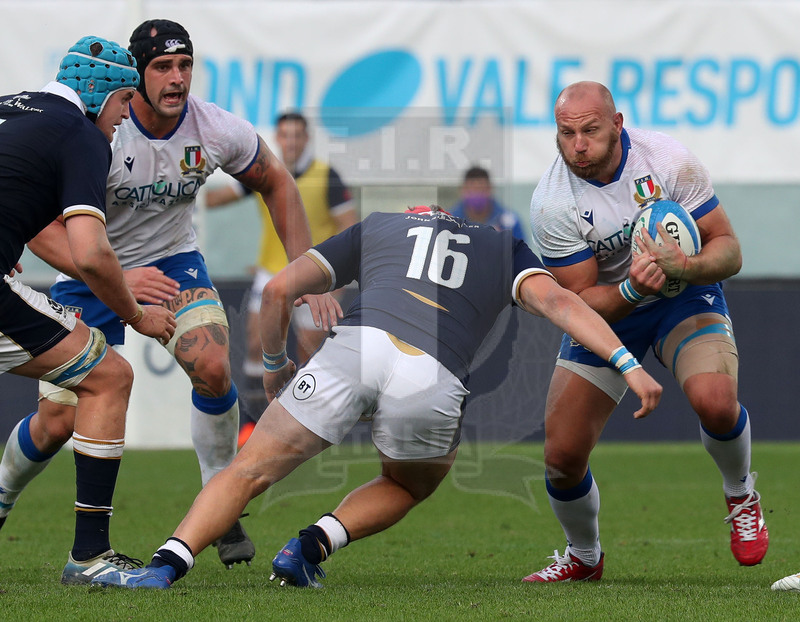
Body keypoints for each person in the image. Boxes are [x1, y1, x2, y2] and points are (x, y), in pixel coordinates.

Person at [89, 204, 662, 590]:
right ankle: (310, 547)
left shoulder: (381, 225)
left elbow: (281, 290)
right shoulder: (501, 245)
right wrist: (628, 365)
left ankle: (164, 566)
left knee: (246, 470)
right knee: (407, 483)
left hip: (352, 351)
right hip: (431, 375)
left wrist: (274, 368)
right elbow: (564, 305)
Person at [5, 19, 320, 572]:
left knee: (215, 364)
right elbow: (38, 227)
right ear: (134, 76)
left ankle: (218, 502)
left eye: (184, 65)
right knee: (57, 421)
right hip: (91, 272)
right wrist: (121, 279)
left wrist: (304, 272)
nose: (176, 79)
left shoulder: (214, 128)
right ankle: (5, 493)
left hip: (175, 266)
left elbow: (276, 180)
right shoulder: (98, 128)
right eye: (161, 68)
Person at [522, 81, 766, 583]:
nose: (578, 146)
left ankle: (740, 491)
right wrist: (631, 291)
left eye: (590, 131)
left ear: (617, 124)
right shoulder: (551, 202)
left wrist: (689, 265)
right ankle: (584, 556)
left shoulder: (668, 160)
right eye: (566, 134)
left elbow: (730, 251)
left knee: (716, 401)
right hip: (610, 312)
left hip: (682, 295)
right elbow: (578, 302)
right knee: (561, 456)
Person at [0, 35, 175, 584]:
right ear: (101, 92)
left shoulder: (12, 109)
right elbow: (92, 252)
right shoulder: (79, 133)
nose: (125, 118)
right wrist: (137, 313)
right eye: (126, 102)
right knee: (109, 376)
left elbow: (33, 226)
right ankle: (90, 556)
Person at [207, 111, 357, 426]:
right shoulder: (264, 172)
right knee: (254, 342)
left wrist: (339, 277)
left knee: (310, 348)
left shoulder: (326, 176)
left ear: (306, 139)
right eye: (285, 136)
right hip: (270, 271)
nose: (290, 142)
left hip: (314, 274)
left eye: (296, 136)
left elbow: (349, 226)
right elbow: (215, 199)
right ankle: (254, 421)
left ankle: (308, 423)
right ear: (278, 139)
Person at [450, 166, 525, 239]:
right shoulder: (450, 221)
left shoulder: (510, 222)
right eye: (472, 190)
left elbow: (521, 249)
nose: (477, 194)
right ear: (462, 190)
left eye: (481, 189)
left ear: (490, 189)